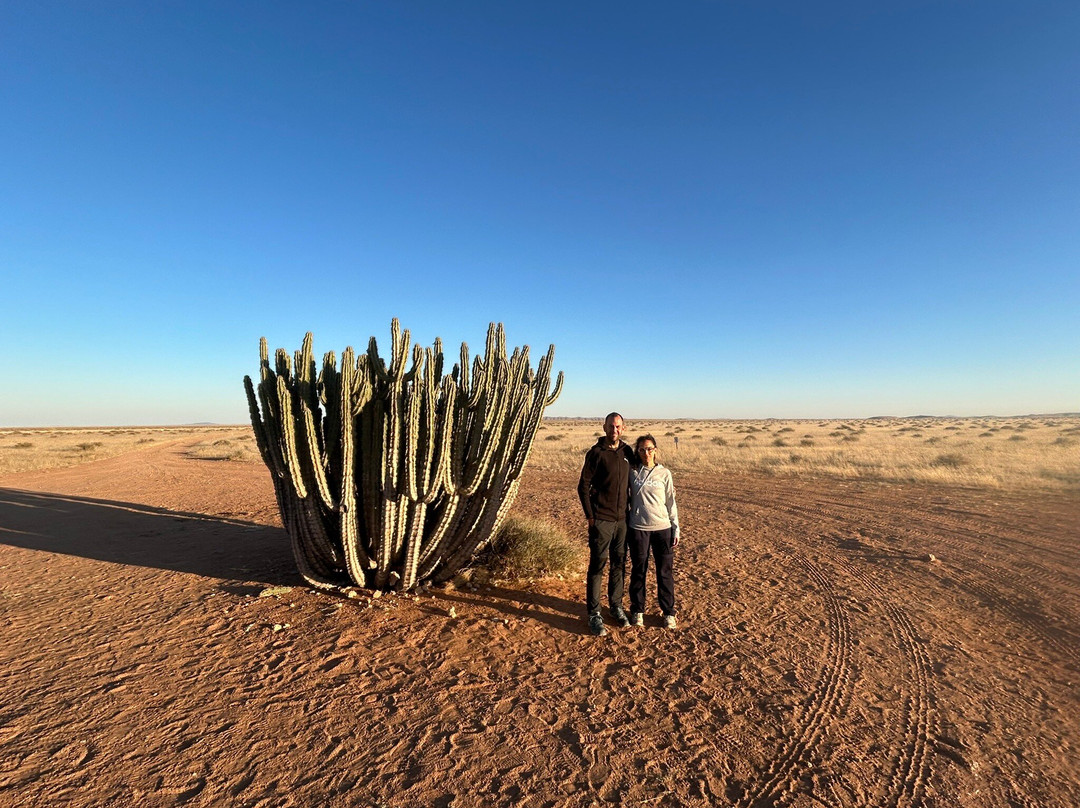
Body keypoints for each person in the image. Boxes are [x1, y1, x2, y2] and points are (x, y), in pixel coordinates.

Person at [577, 412, 636, 636]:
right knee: (597, 566)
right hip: (601, 520)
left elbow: (640, 476)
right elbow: (583, 486)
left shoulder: (627, 452)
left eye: (618, 426)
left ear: (623, 428)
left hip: (622, 521)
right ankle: (594, 614)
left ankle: (616, 606)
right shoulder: (596, 453)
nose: (614, 430)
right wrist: (590, 516)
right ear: (604, 427)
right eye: (611, 426)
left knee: (618, 565)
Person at [627, 434, 680, 629]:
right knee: (638, 570)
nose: (646, 453)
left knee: (664, 572)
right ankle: (637, 611)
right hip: (638, 528)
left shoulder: (664, 473)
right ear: (638, 452)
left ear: (655, 450)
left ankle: (668, 613)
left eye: (649, 449)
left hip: (662, 528)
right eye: (642, 449)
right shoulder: (632, 472)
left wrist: (675, 528)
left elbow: (670, 502)